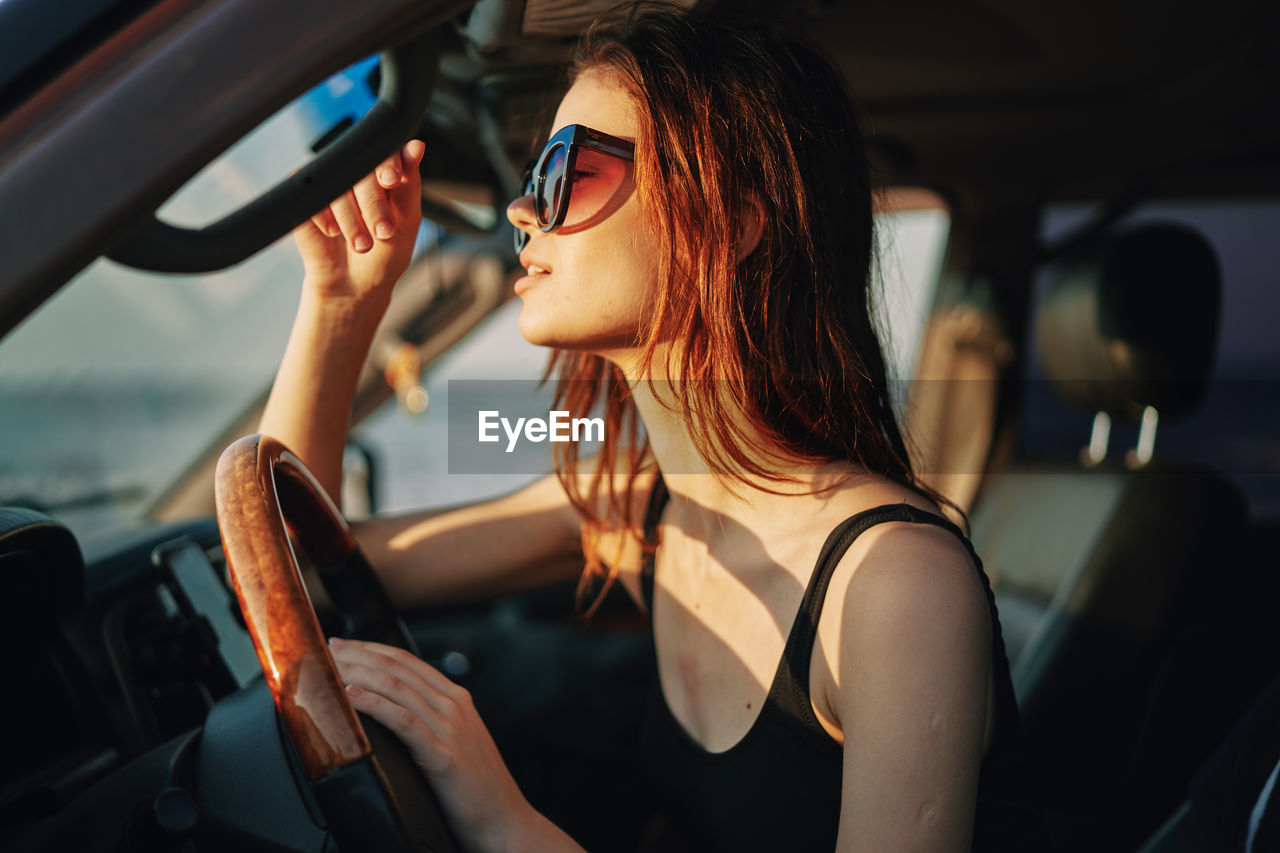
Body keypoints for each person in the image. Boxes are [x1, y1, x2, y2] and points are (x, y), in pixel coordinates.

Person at [261, 6, 1042, 851]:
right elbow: (288, 570)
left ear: (732, 223)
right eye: (534, 172)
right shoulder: (639, 512)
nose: (525, 208)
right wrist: (341, 308)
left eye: (568, 170)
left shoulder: (892, 585)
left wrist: (499, 815)